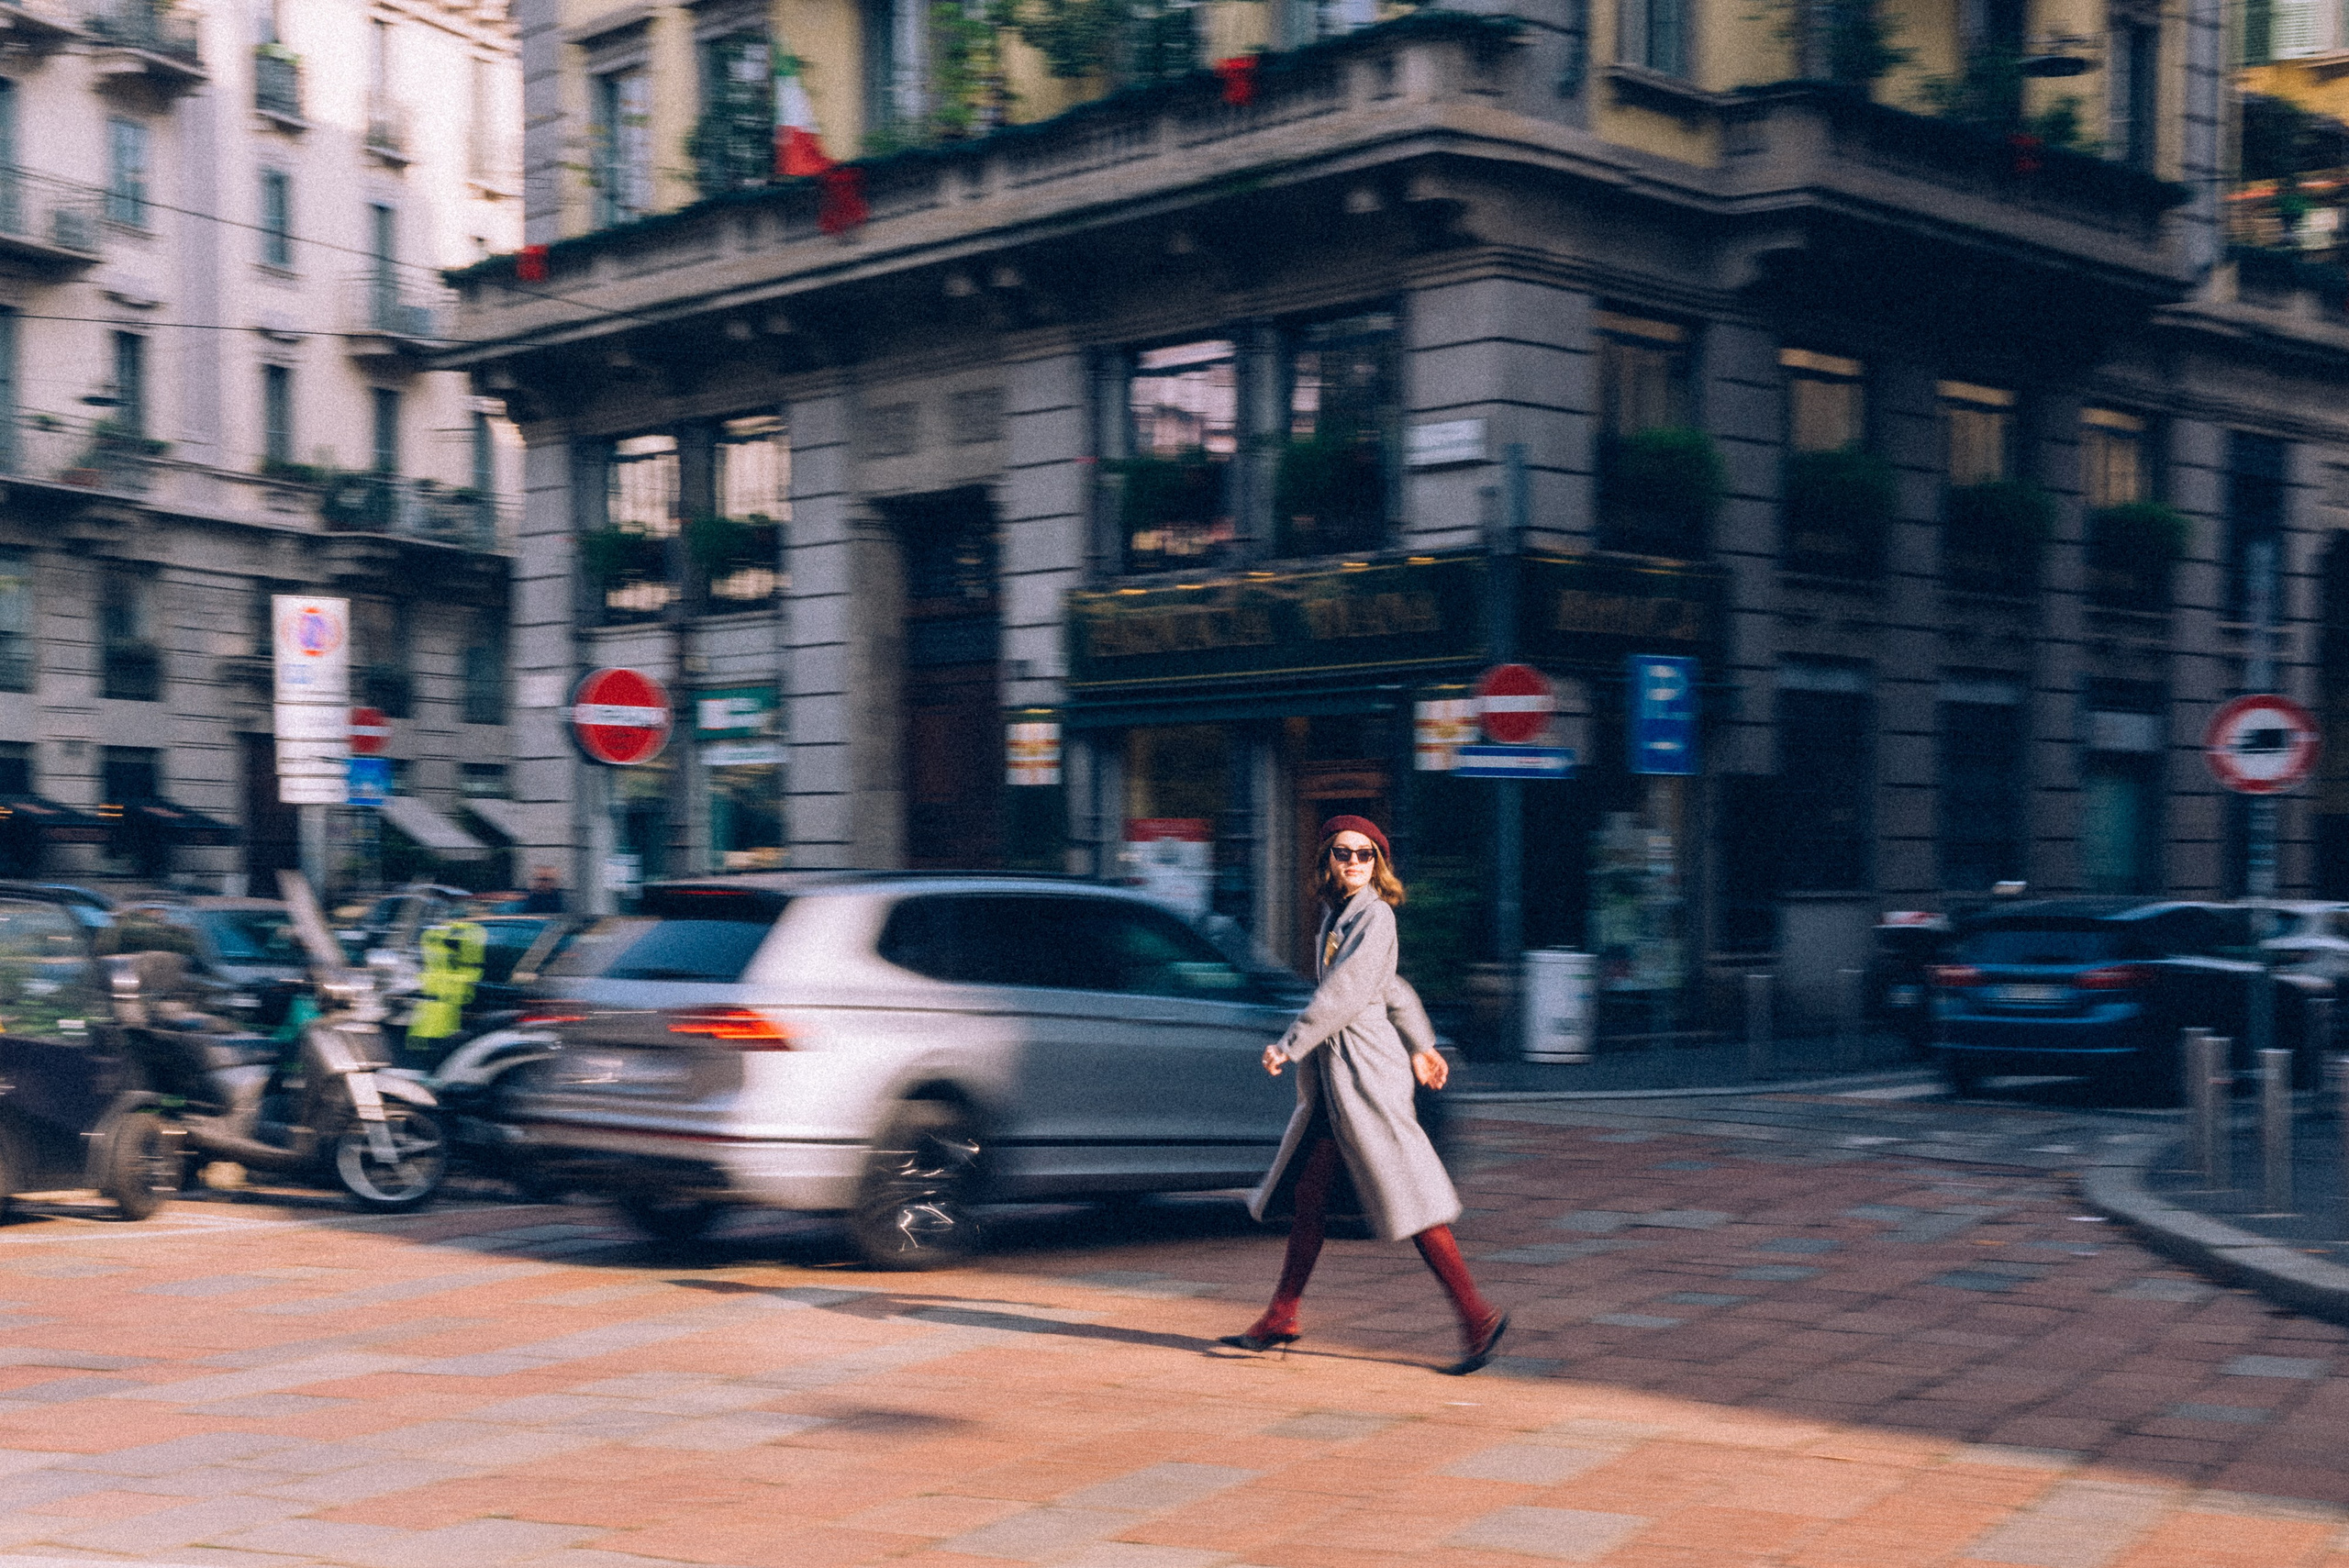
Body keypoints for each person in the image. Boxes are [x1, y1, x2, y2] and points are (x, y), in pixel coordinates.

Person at [1221, 815, 1508, 1375]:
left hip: (1366, 1079)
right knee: (1309, 1194)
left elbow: (1347, 993)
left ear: (1379, 863)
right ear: (1327, 859)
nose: (1354, 862)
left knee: (1413, 1199)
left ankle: (1478, 1316)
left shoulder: (1374, 917)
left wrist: (1291, 1044)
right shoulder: (1338, 916)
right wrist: (1423, 1044)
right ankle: (1282, 1313)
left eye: (1365, 855)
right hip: (1338, 1084)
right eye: (1343, 853)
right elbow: (1392, 989)